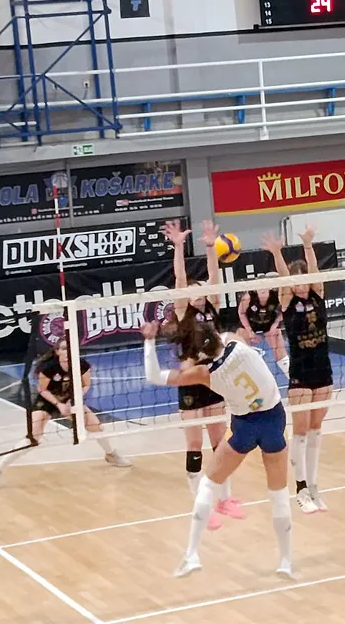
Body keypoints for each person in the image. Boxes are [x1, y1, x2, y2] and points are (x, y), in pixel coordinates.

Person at [141, 318, 293, 579]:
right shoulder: (236, 341)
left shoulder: (204, 374)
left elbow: (154, 376)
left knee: (208, 485)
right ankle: (286, 562)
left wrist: (149, 340)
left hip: (244, 428)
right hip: (273, 422)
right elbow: (222, 338)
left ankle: (191, 555)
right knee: (279, 495)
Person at [162, 219, 245, 530]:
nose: (198, 293)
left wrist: (211, 248)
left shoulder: (213, 307)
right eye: (193, 291)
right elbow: (180, 277)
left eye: (202, 291)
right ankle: (201, 507)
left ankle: (225, 499)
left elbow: (214, 276)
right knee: (194, 445)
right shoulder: (183, 311)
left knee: (221, 443)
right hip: (190, 383)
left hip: (213, 380)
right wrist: (179, 247)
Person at [0, 338, 131, 491]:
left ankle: (111, 455)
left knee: (96, 426)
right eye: (63, 348)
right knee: (33, 438)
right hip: (48, 400)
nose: (67, 351)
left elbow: (86, 385)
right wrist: (59, 405)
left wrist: (74, 400)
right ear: (57, 351)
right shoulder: (49, 367)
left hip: (69, 398)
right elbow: (42, 390)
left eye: (70, 348)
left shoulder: (82, 365)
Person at [264, 226, 332, 514]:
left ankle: (314, 487)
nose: (302, 286)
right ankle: (301, 489)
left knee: (316, 430)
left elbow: (315, 273)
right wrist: (277, 253)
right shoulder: (288, 301)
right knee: (301, 431)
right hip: (301, 373)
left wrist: (308, 245)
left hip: (323, 370)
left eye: (304, 281)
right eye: (297, 283)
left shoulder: (317, 295)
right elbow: (283, 278)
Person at [238, 287, 287, 363]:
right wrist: (249, 330)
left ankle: (284, 364)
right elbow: (241, 313)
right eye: (260, 286)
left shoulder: (277, 296)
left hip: (270, 323)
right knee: (241, 337)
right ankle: (247, 362)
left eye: (264, 285)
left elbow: (284, 310)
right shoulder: (248, 298)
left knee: (277, 338)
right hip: (251, 323)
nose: (262, 289)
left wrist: (275, 324)